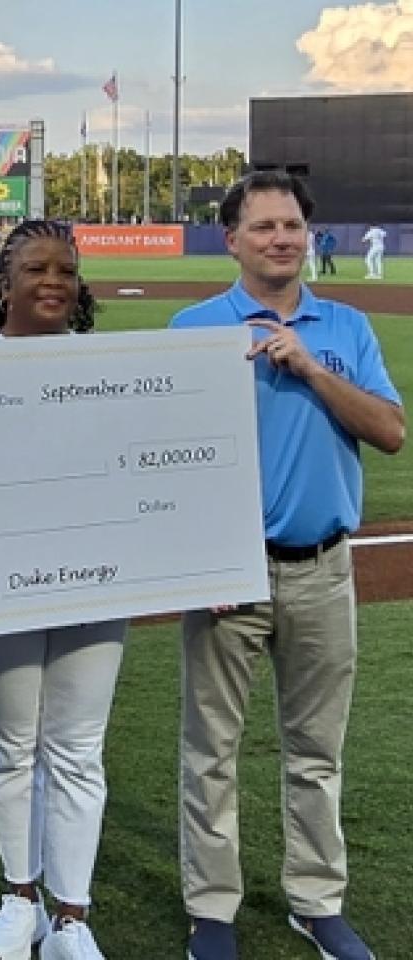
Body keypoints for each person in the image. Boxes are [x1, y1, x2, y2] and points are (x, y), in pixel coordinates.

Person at [170, 171, 404, 960]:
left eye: (293, 225)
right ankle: (212, 908)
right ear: (231, 239)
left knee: (316, 749)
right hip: (227, 578)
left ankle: (316, 899)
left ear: (309, 235)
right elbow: (160, 464)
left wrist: (309, 365)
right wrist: (196, 564)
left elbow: (390, 432)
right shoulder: (193, 329)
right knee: (212, 751)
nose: (281, 239)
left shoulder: (346, 327)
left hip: (324, 568)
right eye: (264, 226)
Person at [0, 221, 124, 960]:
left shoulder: (108, 366)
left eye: (66, 270)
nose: (53, 282)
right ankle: (18, 899)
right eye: (36, 270)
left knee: (79, 750)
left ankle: (72, 918)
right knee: (13, 747)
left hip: (94, 586)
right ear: (5, 284)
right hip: (3, 591)